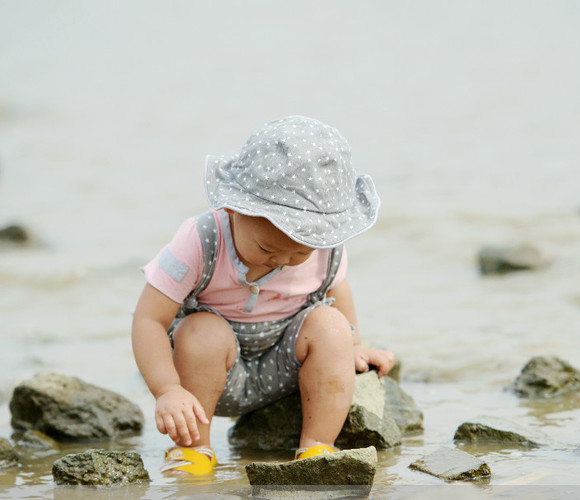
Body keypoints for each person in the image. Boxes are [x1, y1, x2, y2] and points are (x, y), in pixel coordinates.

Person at [131, 115, 395, 475]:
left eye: (299, 254)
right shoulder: (200, 240)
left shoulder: (325, 248)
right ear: (233, 208)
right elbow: (149, 320)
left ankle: (317, 447)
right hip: (211, 374)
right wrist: (167, 390)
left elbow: (338, 290)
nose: (285, 261)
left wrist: (352, 346)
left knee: (332, 325)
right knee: (200, 331)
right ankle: (193, 450)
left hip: (287, 365)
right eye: (268, 248)